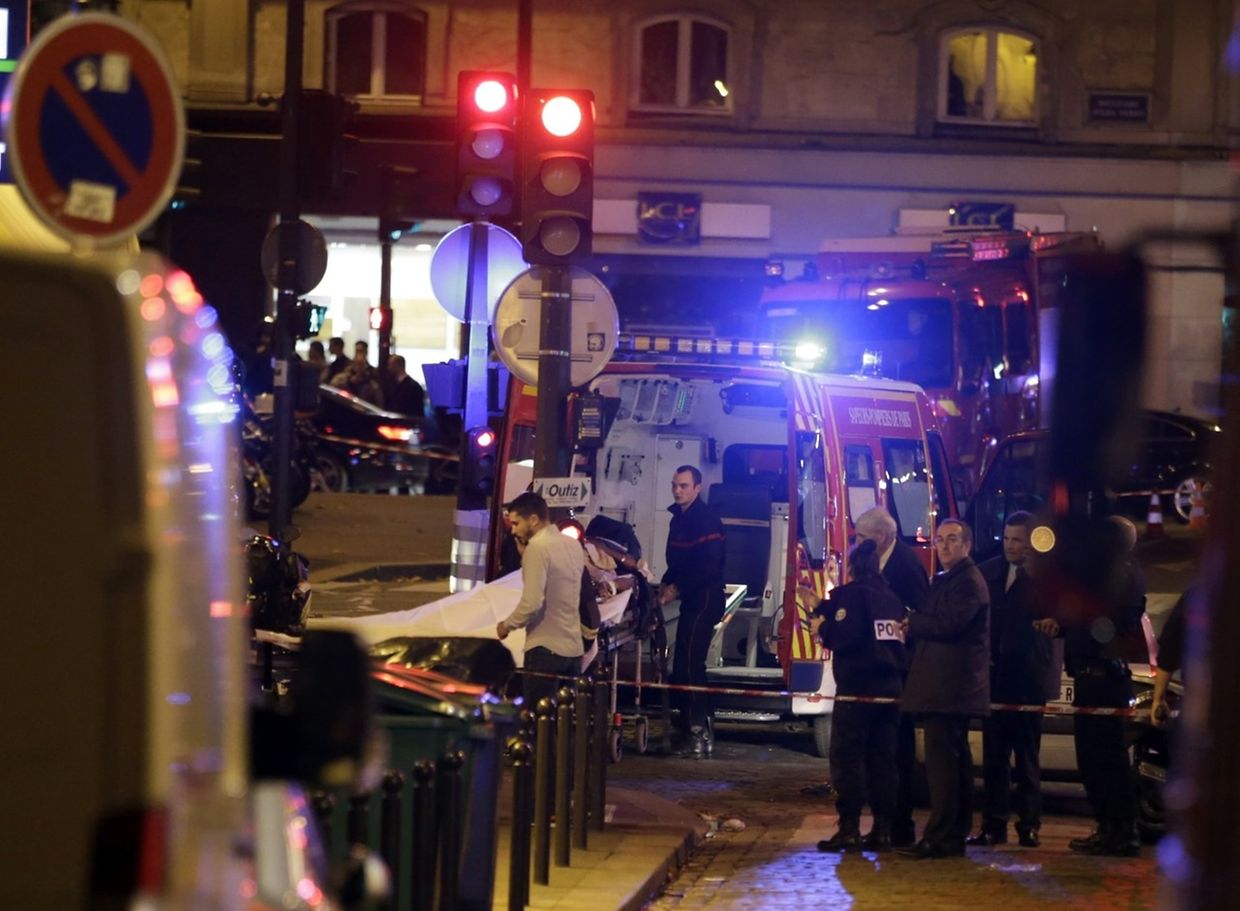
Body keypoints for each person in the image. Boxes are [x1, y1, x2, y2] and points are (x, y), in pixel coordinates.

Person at [1036, 514, 1145, 857]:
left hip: (1103, 678)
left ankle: (1121, 830)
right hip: (1088, 676)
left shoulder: (1123, 578)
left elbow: (1112, 625)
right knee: (1091, 758)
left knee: (1106, 759)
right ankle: (1108, 827)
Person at [898, 518, 990, 859]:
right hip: (945, 688)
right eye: (940, 540)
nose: (945, 546)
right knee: (953, 765)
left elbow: (950, 624)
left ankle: (941, 836)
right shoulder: (949, 579)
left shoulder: (967, 581)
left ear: (966, 545)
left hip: (950, 689)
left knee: (944, 769)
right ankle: (951, 834)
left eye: (952, 540)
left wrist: (914, 623)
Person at [810, 539, 907, 852]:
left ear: (852, 567)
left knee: (847, 758)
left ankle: (849, 827)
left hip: (858, 690)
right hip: (890, 690)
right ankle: (882, 830)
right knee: (883, 761)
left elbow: (845, 635)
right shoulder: (892, 598)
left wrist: (821, 630)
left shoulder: (853, 594)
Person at [968, 511, 1052, 848]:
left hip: (1028, 679)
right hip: (995, 679)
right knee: (994, 757)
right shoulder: (988, 572)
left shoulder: (1046, 579)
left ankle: (1029, 825)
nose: (1010, 546)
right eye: (1007, 538)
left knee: (1028, 759)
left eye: (1017, 539)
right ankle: (993, 824)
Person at [854, 506, 930, 847]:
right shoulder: (882, 561)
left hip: (899, 669)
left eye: (861, 538)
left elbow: (916, 612)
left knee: (897, 750)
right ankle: (888, 821)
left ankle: (900, 823)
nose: (857, 544)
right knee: (882, 750)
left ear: (881, 537)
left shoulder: (905, 565)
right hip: (882, 668)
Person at [659, 465, 726, 757]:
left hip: (706, 597)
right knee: (684, 661)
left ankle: (697, 730)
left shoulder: (706, 520)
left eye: (684, 486)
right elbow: (677, 562)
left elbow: (708, 566)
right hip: (692, 596)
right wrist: (664, 584)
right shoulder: (680, 518)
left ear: (697, 488)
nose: (678, 490)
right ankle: (695, 725)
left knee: (689, 662)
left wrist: (677, 588)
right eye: (675, 485)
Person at [496, 492, 585, 708]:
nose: (513, 529)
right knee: (563, 724)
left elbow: (532, 602)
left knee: (539, 724)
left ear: (533, 520)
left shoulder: (537, 548)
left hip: (545, 649)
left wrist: (506, 625)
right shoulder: (572, 545)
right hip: (573, 649)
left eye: (516, 523)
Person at [331, 340, 385, 407]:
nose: (358, 354)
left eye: (361, 351)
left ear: (366, 352)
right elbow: (335, 386)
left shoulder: (372, 372)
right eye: (357, 351)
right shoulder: (347, 371)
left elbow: (378, 395)